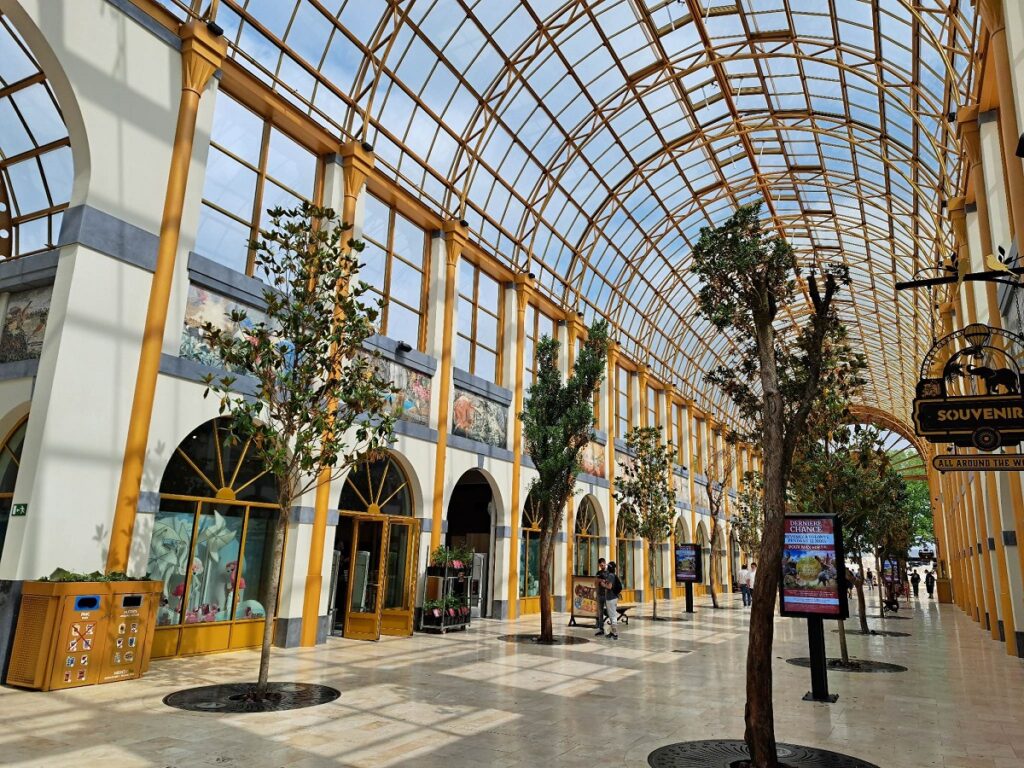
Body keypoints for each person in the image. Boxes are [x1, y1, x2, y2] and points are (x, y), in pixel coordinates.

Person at [602, 562, 624, 640]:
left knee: (613, 616)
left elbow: (610, 587)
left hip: (611, 598)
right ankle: (612, 632)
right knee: (612, 616)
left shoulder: (611, 575)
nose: (607, 568)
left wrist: (603, 585)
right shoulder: (612, 575)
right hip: (613, 598)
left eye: (608, 566)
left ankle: (615, 634)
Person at [594, 558, 608, 636]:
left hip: (607, 595)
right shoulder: (598, 573)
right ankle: (601, 629)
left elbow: (609, 582)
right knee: (600, 613)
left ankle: (613, 630)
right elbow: (596, 582)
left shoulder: (608, 572)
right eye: (600, 564)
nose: (601, 565)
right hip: (600, 595)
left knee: (610, 612)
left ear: (605, 563)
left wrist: (602, 581)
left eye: (603, 563)